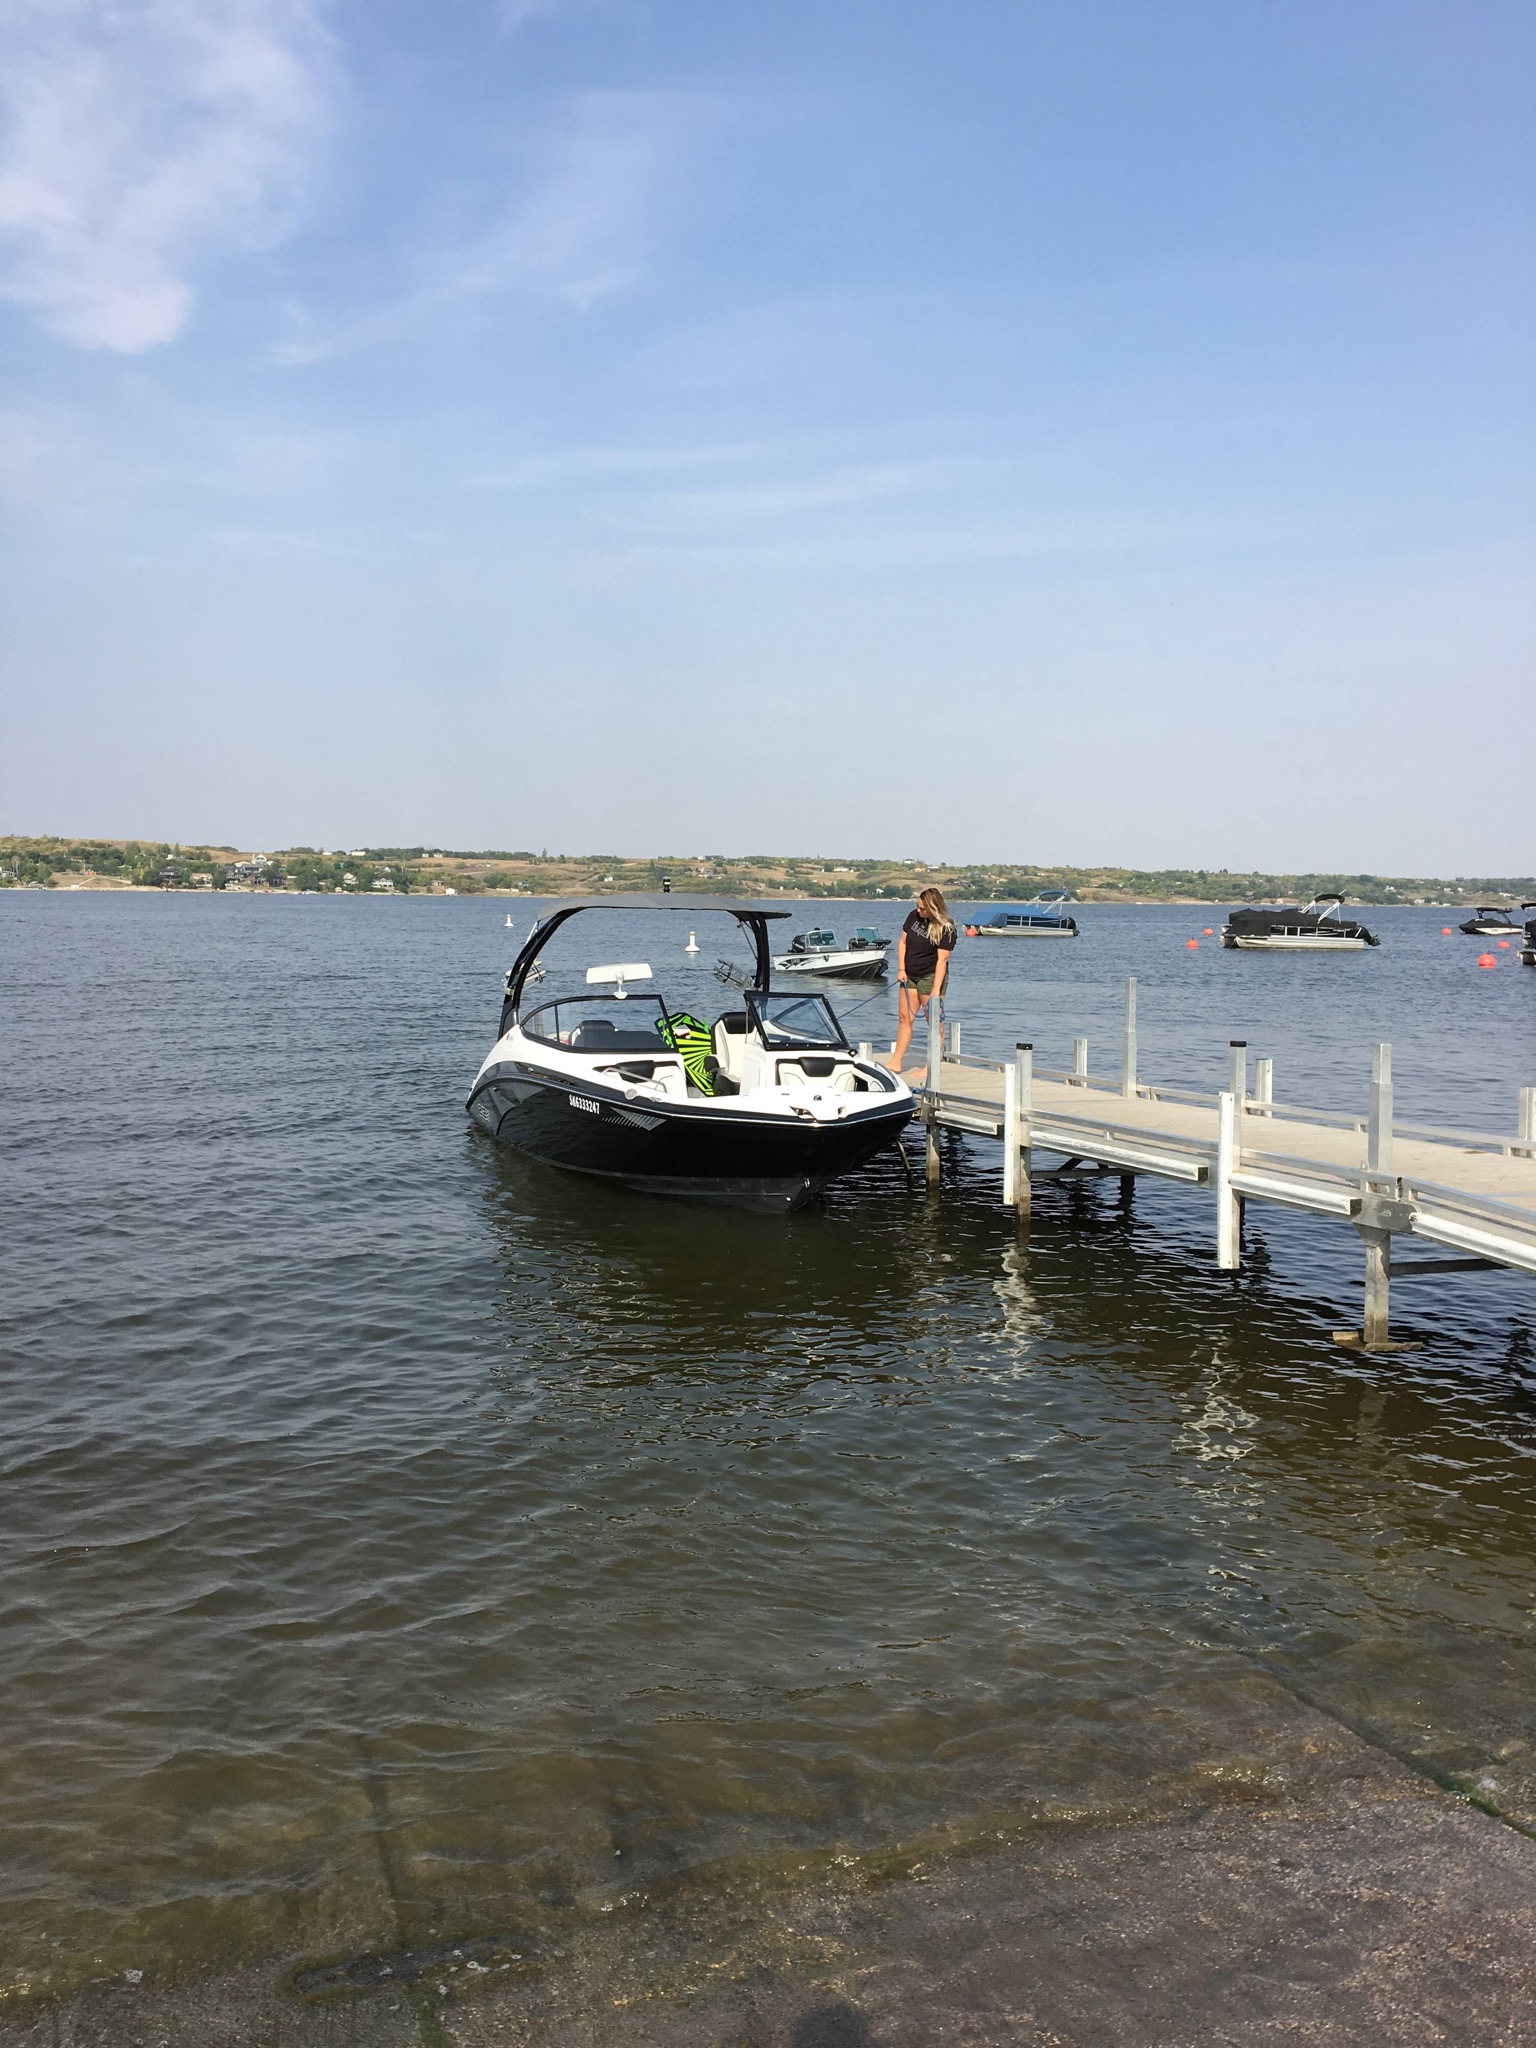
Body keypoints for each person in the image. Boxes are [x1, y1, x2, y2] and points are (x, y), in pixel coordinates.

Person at [886, 887, 957, 1074]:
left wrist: (935, 990)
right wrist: (901, 969)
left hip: (931, 976)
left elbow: (942, 960)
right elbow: (903, 943)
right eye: (918, 907)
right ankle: (896, 1062)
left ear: (934, 908)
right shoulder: (913, 917)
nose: (919, 911)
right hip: (909, 975)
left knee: (933, 1023)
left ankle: (931, 1067)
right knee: (904, 1018)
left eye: (923, 909)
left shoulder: (947, 928)